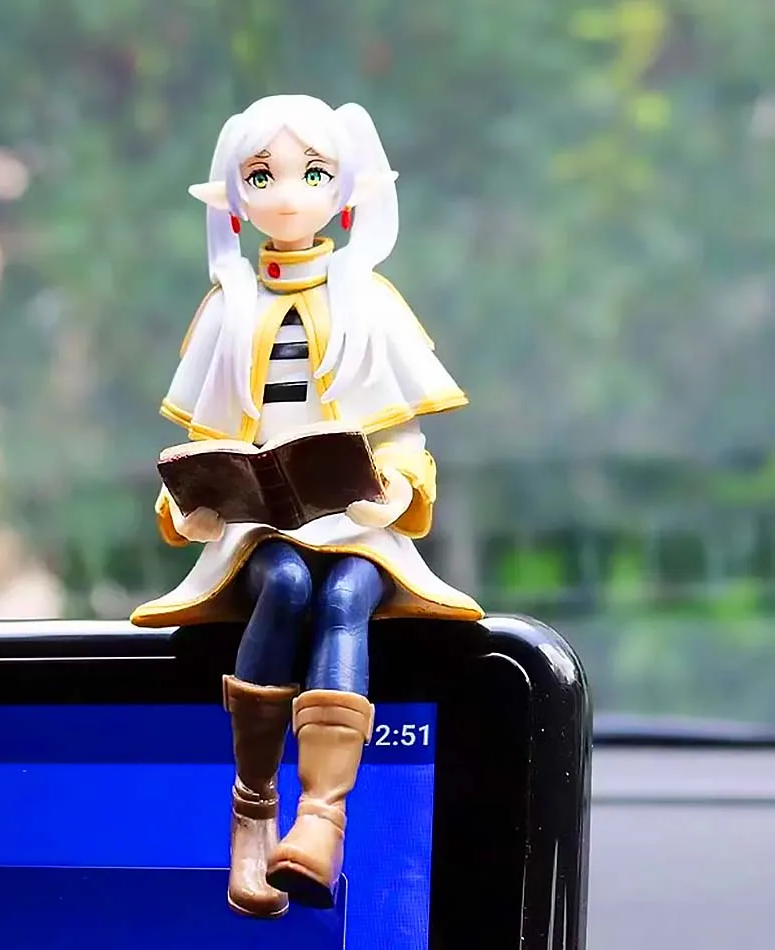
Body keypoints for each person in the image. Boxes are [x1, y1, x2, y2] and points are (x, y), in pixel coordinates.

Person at [130, 94, 484, 917]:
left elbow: (400, 434)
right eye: (263, 176)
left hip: (356, 523)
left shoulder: (370, 302)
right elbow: (203, 439)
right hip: (258, 527)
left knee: (349, 591)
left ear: (343, 191)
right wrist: (192, 506)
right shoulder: (230, 310)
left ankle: (322, 818)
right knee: (287, 584)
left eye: (312, 173)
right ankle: (254, 808)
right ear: (235, 197)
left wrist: (393, 487)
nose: (288, 193)